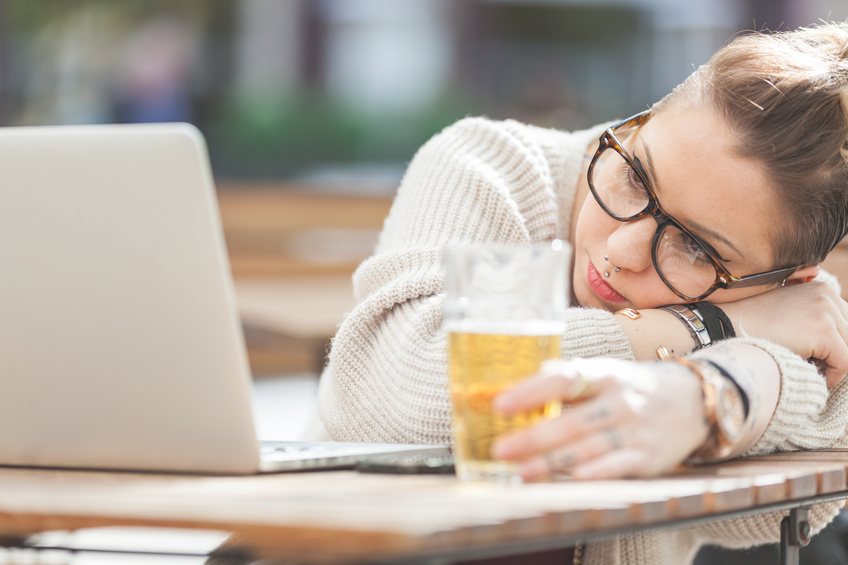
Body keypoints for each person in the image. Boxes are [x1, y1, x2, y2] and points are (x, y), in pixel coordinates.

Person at [317, 21, 848, 565]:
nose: (620, 249)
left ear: (783, 284)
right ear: (637, 122)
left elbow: (775, 506)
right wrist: (712, 330)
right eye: (636, 177)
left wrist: (715, 390)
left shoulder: (802, 315)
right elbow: (393, 403)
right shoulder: (488, 166)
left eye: (693, 248)